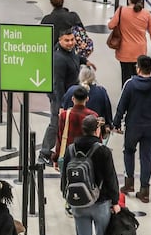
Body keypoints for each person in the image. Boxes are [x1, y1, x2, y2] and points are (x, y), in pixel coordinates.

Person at [60, 115, 121, 235]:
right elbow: (111, 179)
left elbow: (64, 177)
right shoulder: (103, 151)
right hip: (100, 203)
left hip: (78, 203)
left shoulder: (71, 149)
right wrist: (115, 201)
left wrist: (68, 199)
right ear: (97, 130)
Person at [112, 55, 151, 203]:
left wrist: (116, 122)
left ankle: (129, 183)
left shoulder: (130, 84)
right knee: (146, 157)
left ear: (138, 68)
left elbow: (122, 106)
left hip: (133, 126)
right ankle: (145, 191)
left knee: (129, 151)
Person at [39, 29, 95, 164]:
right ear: (60, 41)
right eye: (67, 40)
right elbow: (58, 84)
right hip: (61, 98)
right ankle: (44, 153)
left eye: (72, 40)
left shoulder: (70, 52)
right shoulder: (58, 59)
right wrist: (61, 105)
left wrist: (84, 61)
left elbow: (74, 58)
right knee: (55, 124)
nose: (70, 43)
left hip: (71, 96)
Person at [107, 0, 151, 86]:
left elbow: (110, 25)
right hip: (140, 52)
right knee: (140, 80)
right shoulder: (146, 14)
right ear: (141, 0)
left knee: (126, 81)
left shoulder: (121, 10)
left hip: (125, 52)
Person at [55, 87, 99, 167]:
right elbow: (98, 138)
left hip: (69, 156)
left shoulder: (65, 115)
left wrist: (56, 157)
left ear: (73, 99)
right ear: (87, 99)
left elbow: (60, 137)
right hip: (89, 157)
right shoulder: (93, 116)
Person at [62, 65, 113, 133]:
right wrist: (109, 125)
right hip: (94, 131)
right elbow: (107, 111)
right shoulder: (101, 91)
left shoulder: (71, 90)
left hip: (73, 130)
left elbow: (64, 108)